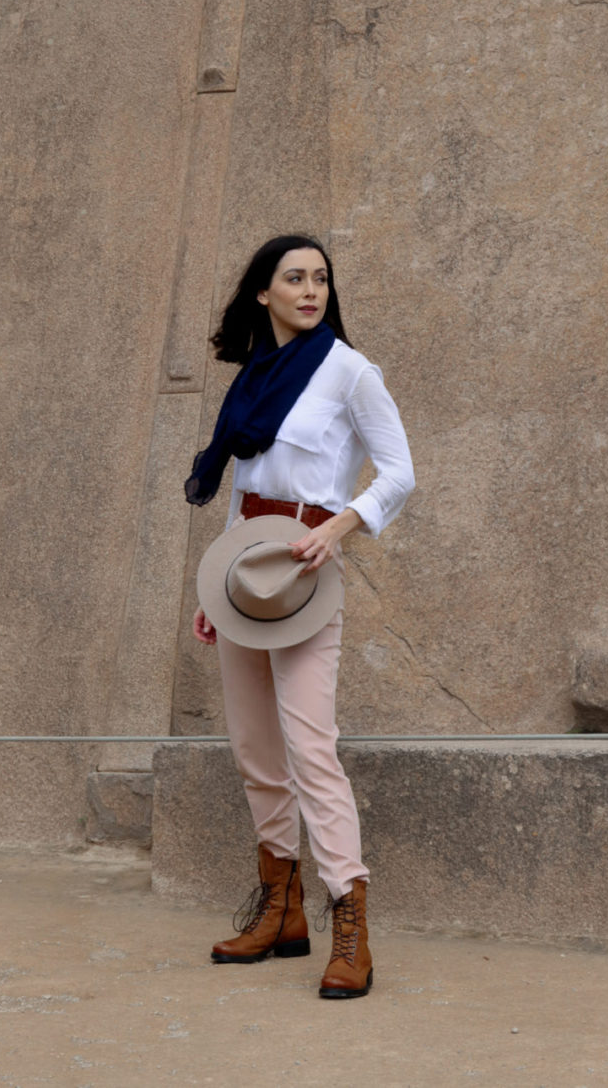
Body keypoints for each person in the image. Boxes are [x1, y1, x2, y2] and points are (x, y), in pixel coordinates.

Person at [186, 232, 415, 999]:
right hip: (245, 570)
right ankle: (280, 911)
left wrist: (338, 528)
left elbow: (401, 471)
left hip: (307, 567)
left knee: (312, 748)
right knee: (256, 749)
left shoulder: (349, 372)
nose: (310, 290)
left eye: (320, 279)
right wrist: (213, 591)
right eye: (294, 278)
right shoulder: (253, 378)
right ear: (264, 293)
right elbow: (242, 486)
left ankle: (350, 919)